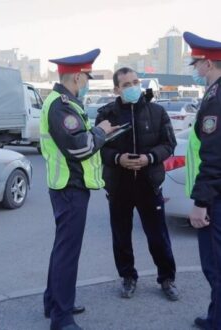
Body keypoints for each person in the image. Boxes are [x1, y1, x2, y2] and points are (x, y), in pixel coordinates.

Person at [40, 49, 119, 330]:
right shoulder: (61, 105)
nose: (87, 82)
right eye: (86, 77)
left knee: (62, 250)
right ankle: (62, 318)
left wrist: (99, 133)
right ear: (76, 77)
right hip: (69, 189)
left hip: (67, 187)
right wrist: (102, 133)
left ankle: (54, 302)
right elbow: (79, 147)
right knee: (67, 254)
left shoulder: (64, 103)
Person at [95, 67, 179, 301]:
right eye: (126, 84)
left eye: (135, 82)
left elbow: (169, 143)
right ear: (116, 89)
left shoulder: (157, 112)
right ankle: (128, 277)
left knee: (158, 236)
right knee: (121, 236)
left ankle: (167, 279)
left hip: (148, 184)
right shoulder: (106, 114)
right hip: (118, 185)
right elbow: (98, 148)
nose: (132, 87)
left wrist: (150, 158)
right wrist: (117, 159)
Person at [184, 31, 221, 330]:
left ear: (207, 63)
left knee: (215, 264)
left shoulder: (215, 99)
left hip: (216, 197)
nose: (195, 70)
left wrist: (200, 203)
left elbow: (214, 156)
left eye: (196, 64)